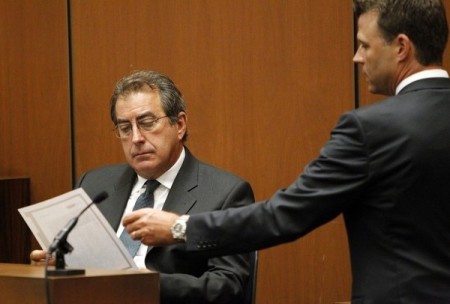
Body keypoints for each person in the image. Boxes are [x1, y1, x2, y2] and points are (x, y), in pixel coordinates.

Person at [122, 1, 450, 303]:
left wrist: (180, 228)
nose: (357, 57)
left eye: (364, 45)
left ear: (402, 47)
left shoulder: (371, 129)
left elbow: (285, 215)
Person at [30, 70, 255, 304]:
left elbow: (228, 287)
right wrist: (59, 266)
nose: (136, 138)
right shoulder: (94, 184)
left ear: (179, 125)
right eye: (125, 128)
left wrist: (144, 283)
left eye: (147, 123)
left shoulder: (225, 193)